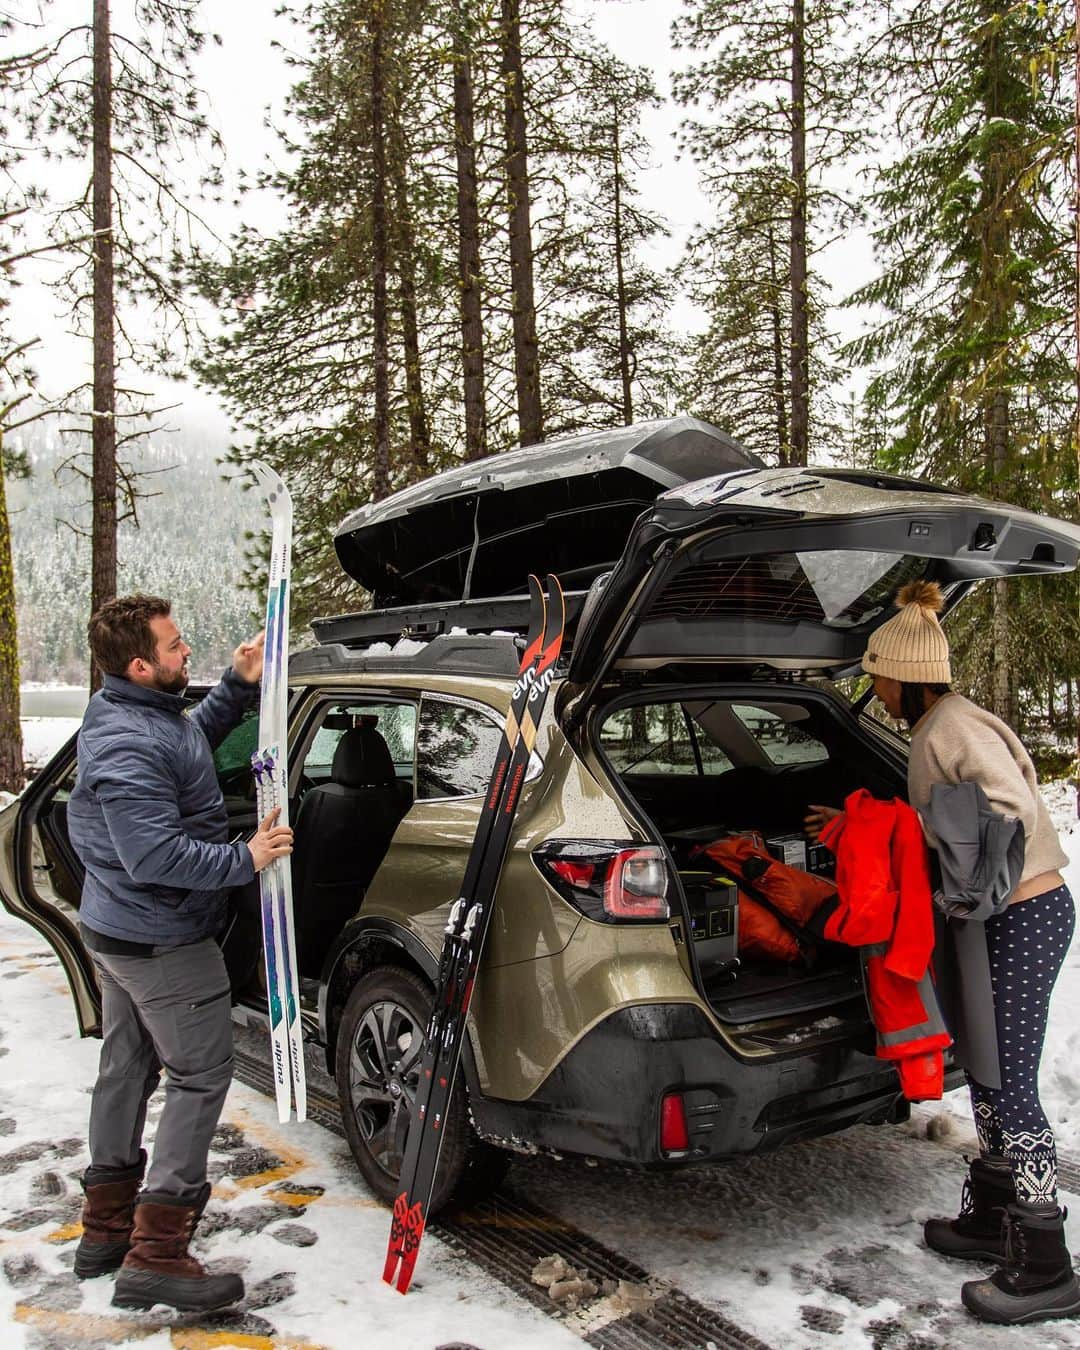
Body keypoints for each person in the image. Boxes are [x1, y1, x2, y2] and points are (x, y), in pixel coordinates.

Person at [806, 579, 1078, 1326]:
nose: (877, 692)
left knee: (1009, 1081)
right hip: (1004, 917)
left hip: (1023, 916)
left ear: (904, 676)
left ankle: (1048, 1260)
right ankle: (995, 1216)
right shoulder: (942, 726)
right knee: (987, 1072)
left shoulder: (953, 729)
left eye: (879, 679)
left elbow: (1009, 813)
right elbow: (945, 821)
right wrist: (873, 824)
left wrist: (939, 855)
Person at [67, 594, 293, 1314]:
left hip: (121, 930)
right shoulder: (130, 739)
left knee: (128, 1066)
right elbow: (154, 856)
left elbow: (186, 742)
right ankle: (158, 1255)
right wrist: (246, 857)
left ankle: (105, 1234)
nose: (185, 649)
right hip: (160, 936)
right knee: (200, 1075)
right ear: (140, 664)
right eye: (174, 646)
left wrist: (236, 685)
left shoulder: (138, 714)